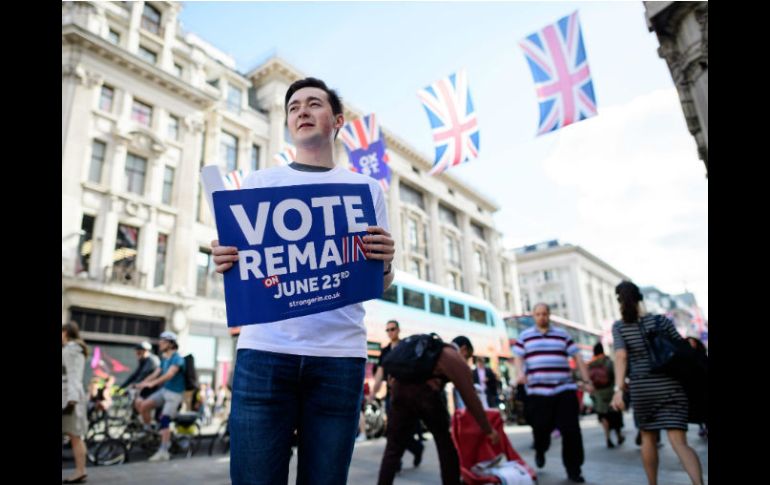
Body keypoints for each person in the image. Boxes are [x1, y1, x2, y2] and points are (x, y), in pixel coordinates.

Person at [212, 77, 395, 485]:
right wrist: (224, 260)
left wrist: (384, 263)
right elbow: (244, 270)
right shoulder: (258, 184)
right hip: (264, 355)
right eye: (293, 107)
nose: (302, 111)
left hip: (339, 359)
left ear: (337, 121)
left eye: (314, 104)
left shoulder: (366, 190)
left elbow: (379, 285)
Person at [610, 281, 703, 485]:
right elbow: (679, 348)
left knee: (648, 439)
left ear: (619, 302)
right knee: (680, 443)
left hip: (643, 388)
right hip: (671, 385)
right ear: (641, 298)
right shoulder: (661, 321)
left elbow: (621, 356)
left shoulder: (619, 327)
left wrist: (618, 390)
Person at [376, 335, 500, 485]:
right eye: (468, 357)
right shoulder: (452, 356)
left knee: (393, 449)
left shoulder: (426, 350)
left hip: (399, 393)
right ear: (464, 349)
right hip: (425, 396)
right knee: (445, 445)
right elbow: (470, 397)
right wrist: (488, 430)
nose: (466, 361)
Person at [512, 303, 592, 483]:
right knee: (540, 429)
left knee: (571, 431)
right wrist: (519, 373)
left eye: (545, 314)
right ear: (533, 316)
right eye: (538, 314)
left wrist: (586, 381)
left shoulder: (562, 335)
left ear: (549, 315)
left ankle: (574, 470)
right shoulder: (525, 336)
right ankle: (540, 449)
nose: (542, 317)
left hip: (564, 390)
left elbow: (577, 357)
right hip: (537, 393)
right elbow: (518, 357)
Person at [369, 320, 424, 467]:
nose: (390, 332)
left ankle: (416, 448)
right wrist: (373, 393)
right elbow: (380, 374)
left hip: (407, 395)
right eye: (387, 330)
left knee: (402, 429)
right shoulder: (385, 351)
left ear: (398, 330)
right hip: (391, 396)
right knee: (393, 429)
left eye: (392, 329)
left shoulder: (406, 346)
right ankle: (396, 461)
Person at [135, 331, 186, 462]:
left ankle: (164, 451)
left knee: (164, 419)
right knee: (143, 405)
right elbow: (156, 373)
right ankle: (149, 430)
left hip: (174, 394)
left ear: (170, 343)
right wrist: (142, 383)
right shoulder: (165, 358)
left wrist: (152, 384)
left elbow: (169, 375)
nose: (160, 344)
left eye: (163, 341)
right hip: (164, 391)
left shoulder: (177, 359)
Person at [62, 321, 89, 484]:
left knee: (75, 435)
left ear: (65, 332)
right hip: (70, 397)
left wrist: (71, 400)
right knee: (75, 436)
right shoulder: (73, 350)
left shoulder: (70, 350)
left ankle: (80, 471)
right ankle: (80, 471)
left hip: (69, 399)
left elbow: (73, 376)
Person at [587, 342, 624, 448]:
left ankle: (607, 437)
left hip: (599, 394)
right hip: (611, 392)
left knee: (604, 417)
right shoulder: (608, 362)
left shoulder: (591, 365)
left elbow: (589, 379)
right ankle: (619, 436)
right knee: (615, 415)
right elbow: (616, 375)